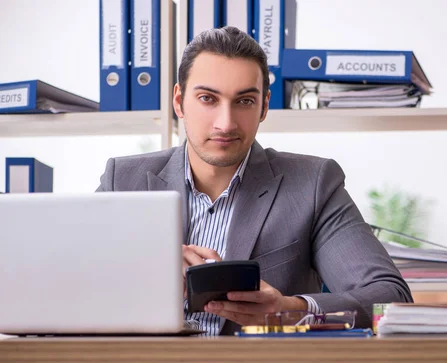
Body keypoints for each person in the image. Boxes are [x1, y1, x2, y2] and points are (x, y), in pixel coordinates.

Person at [97, 26, 413, 335]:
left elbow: (391, 301)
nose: (226, 123)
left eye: (245, 101)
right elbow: (61, 282)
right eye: (208, 98)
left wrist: (293, 311)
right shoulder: (123, 180)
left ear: (263, 106)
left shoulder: (312, 185)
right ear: (179, 102)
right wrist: (145, 261)